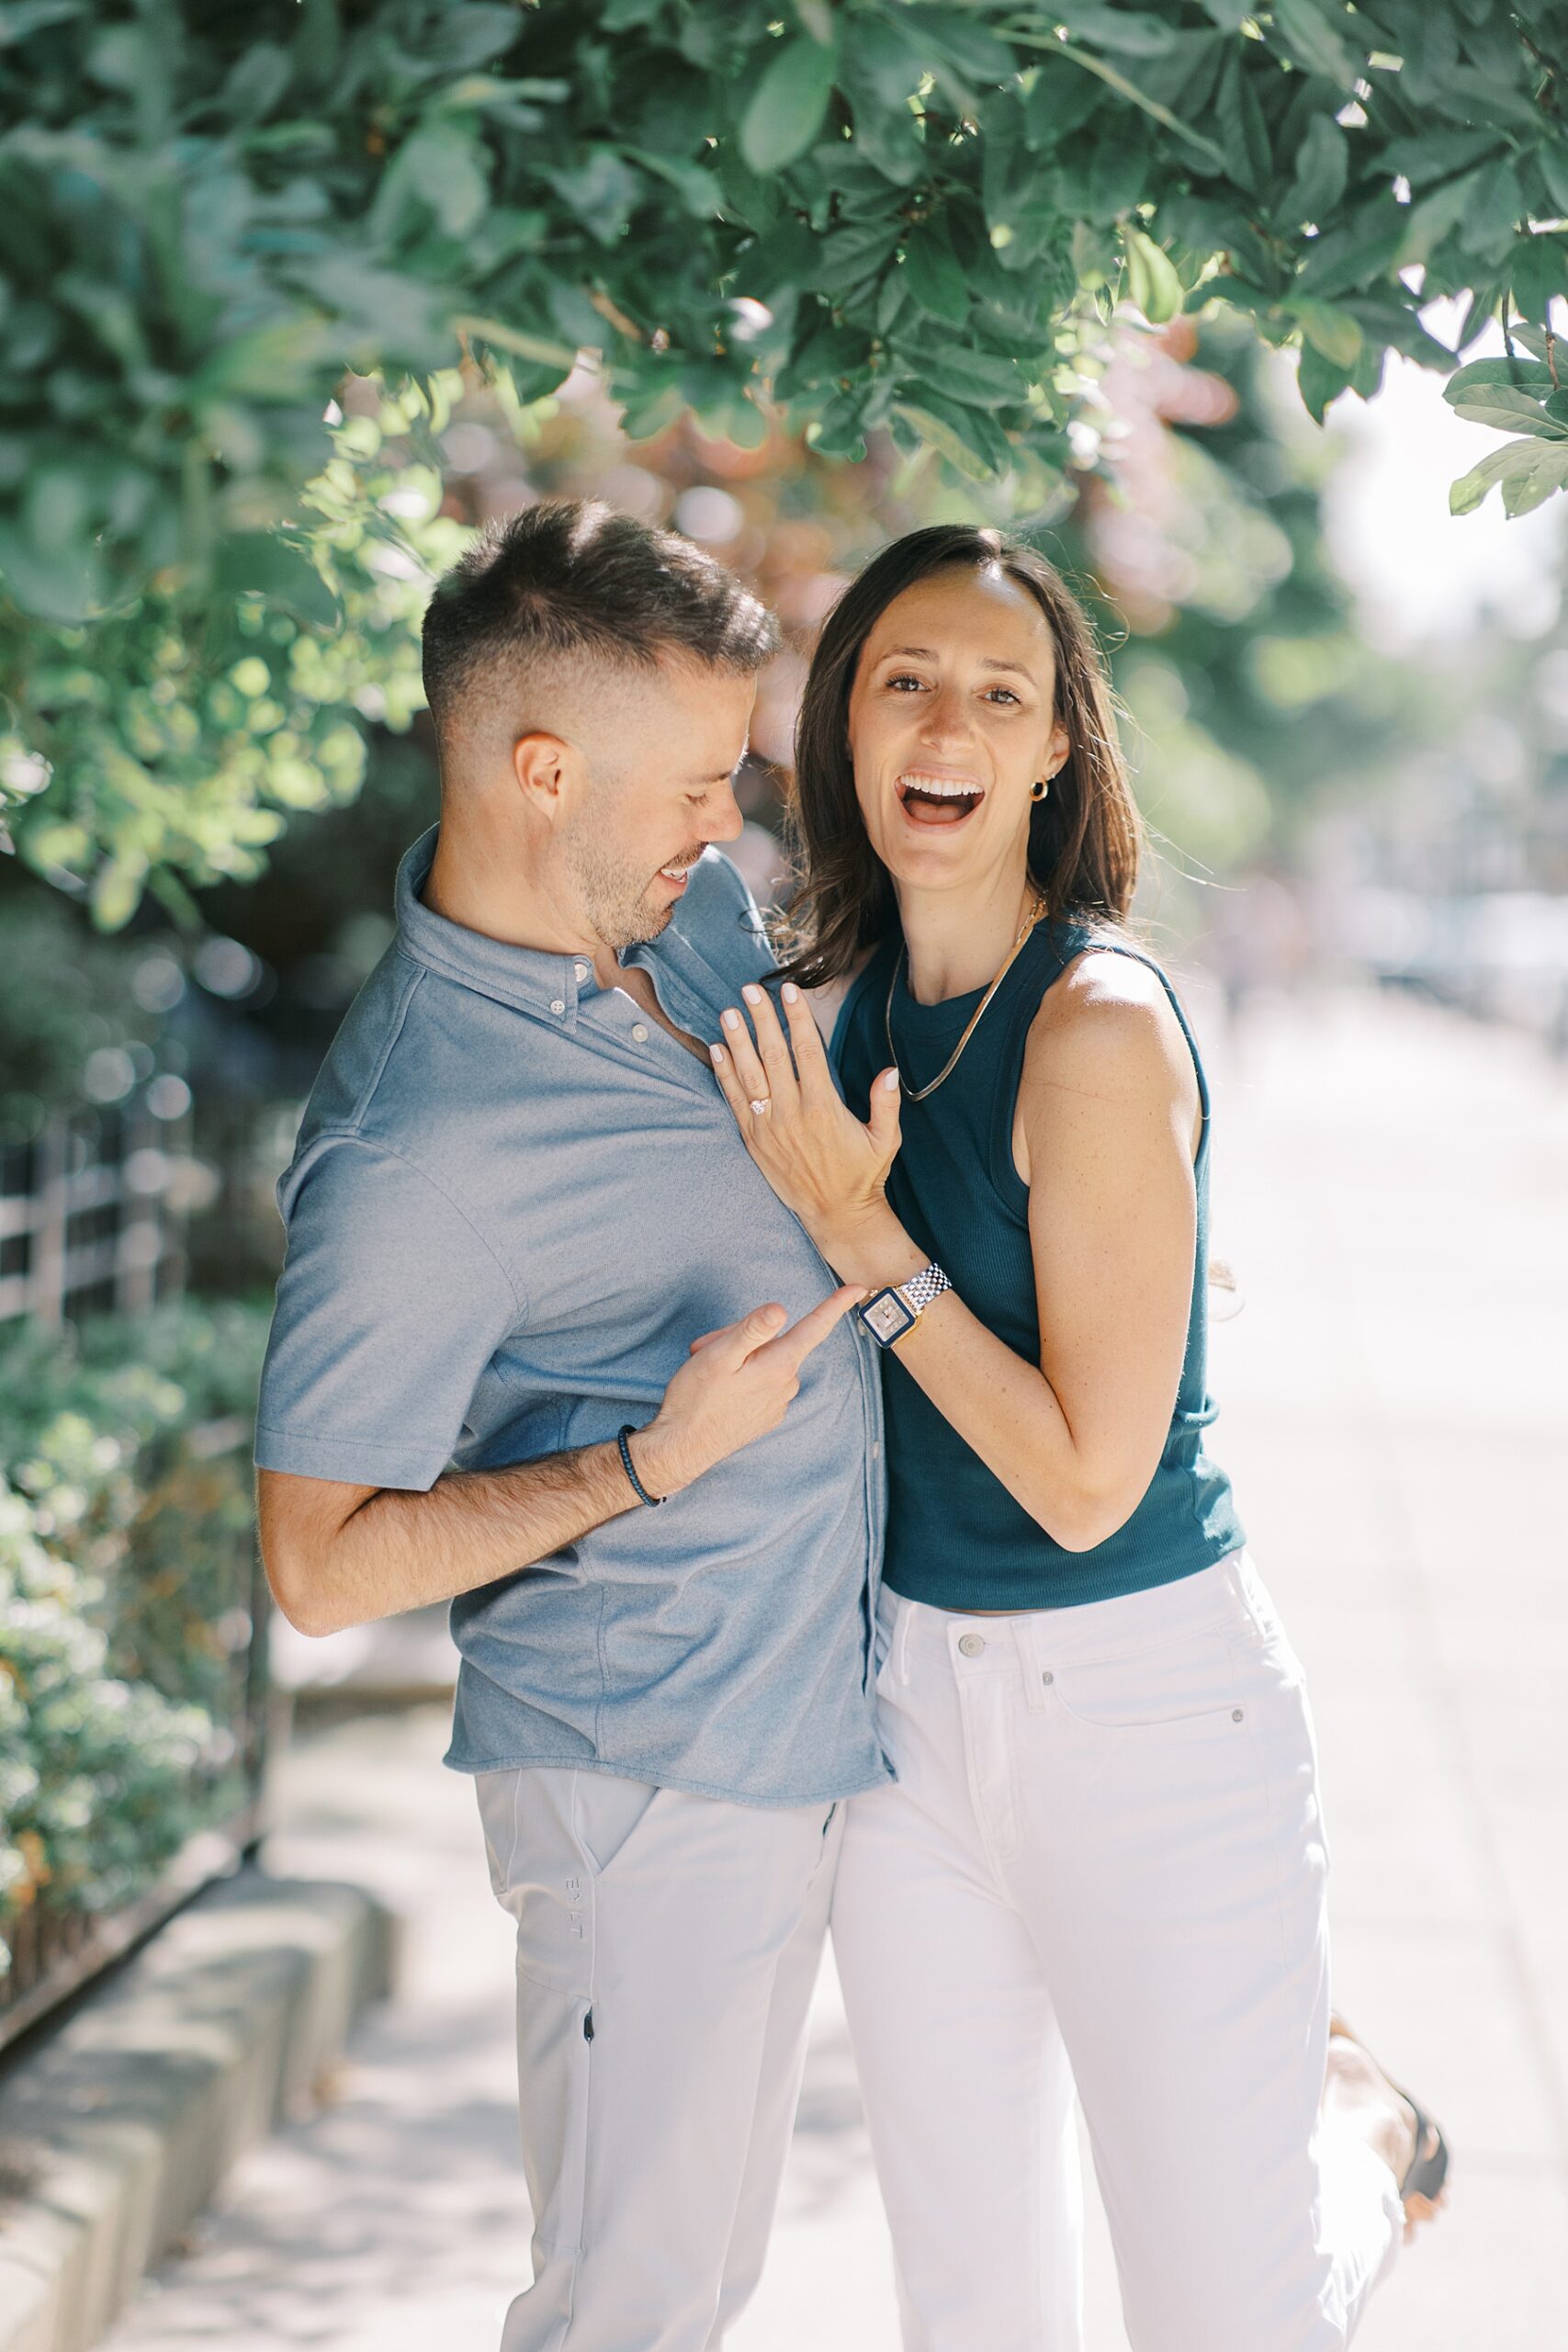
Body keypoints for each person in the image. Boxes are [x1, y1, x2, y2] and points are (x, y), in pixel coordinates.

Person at [706, 523, 1450, 2351]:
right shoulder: (844, 1013)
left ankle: (1357, 2143)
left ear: (1053, 749)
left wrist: (866, 1242)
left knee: (1229, 2318)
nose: (944, 720)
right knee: (975, 2308)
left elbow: (1079, 1476)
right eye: (901, 679)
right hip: (901, 1710)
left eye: (997, 689)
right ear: (841, 728)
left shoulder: (1095, 1026)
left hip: (1146, 1713)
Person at [253, 499, 886, 2352]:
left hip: (794, 1719)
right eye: (697, 778)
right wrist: (645, 1461)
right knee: (626, 2308)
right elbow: (313, 1562)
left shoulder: (676, 916)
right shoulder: (411, 1150)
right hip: (641, 1774)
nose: (730, 818)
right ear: (543, 768)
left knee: (690, 2287)